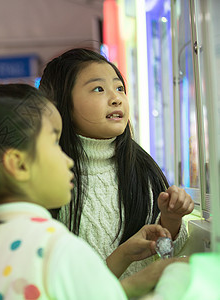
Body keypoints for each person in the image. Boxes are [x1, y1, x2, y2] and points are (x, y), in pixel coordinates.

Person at [0, 84, 184, 299]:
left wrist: (125, 258)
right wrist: (161, 280)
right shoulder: (54, 247)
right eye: (55, 143)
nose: (67, 158)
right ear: (19, 164)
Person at [39, 48, 194, 279]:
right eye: (99, 89)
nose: (116, 98)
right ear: (62, 104)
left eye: (119, 88)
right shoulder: (54, 180)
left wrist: (170, 219)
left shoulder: (142, 167)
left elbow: (163, 252)